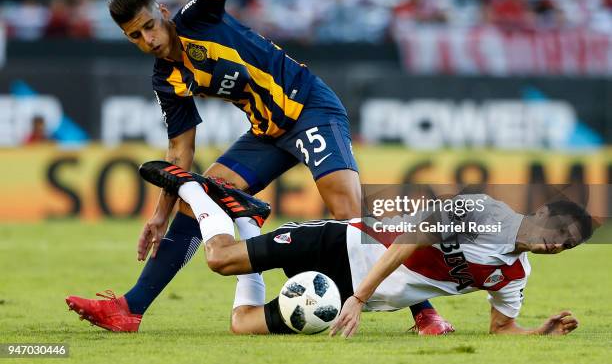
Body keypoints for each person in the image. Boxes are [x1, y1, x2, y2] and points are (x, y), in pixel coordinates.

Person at [65, 0, 449, 334]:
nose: (148, 39)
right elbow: (180, 153)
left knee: (349, 216)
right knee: (199, 196)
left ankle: (425, 313)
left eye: (148, 25)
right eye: (134, 36)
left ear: (161, 10)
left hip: (310, 108)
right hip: (267, 131)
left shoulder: (196, 19)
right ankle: (131, 308)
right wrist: (160, 215)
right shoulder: (167, 79)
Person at [71, 161, 592, 336]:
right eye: (557, 233)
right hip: (342, 244)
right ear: (543, 212)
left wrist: (535, 333)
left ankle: (249, 217)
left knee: (241, 325)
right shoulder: (484, 212)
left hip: (346, 291)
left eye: (564, 247)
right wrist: (362, 296)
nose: (554, 246)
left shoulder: (515, 277)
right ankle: (191, 188)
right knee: (218, 260)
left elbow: (501, 330)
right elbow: (411, 235)